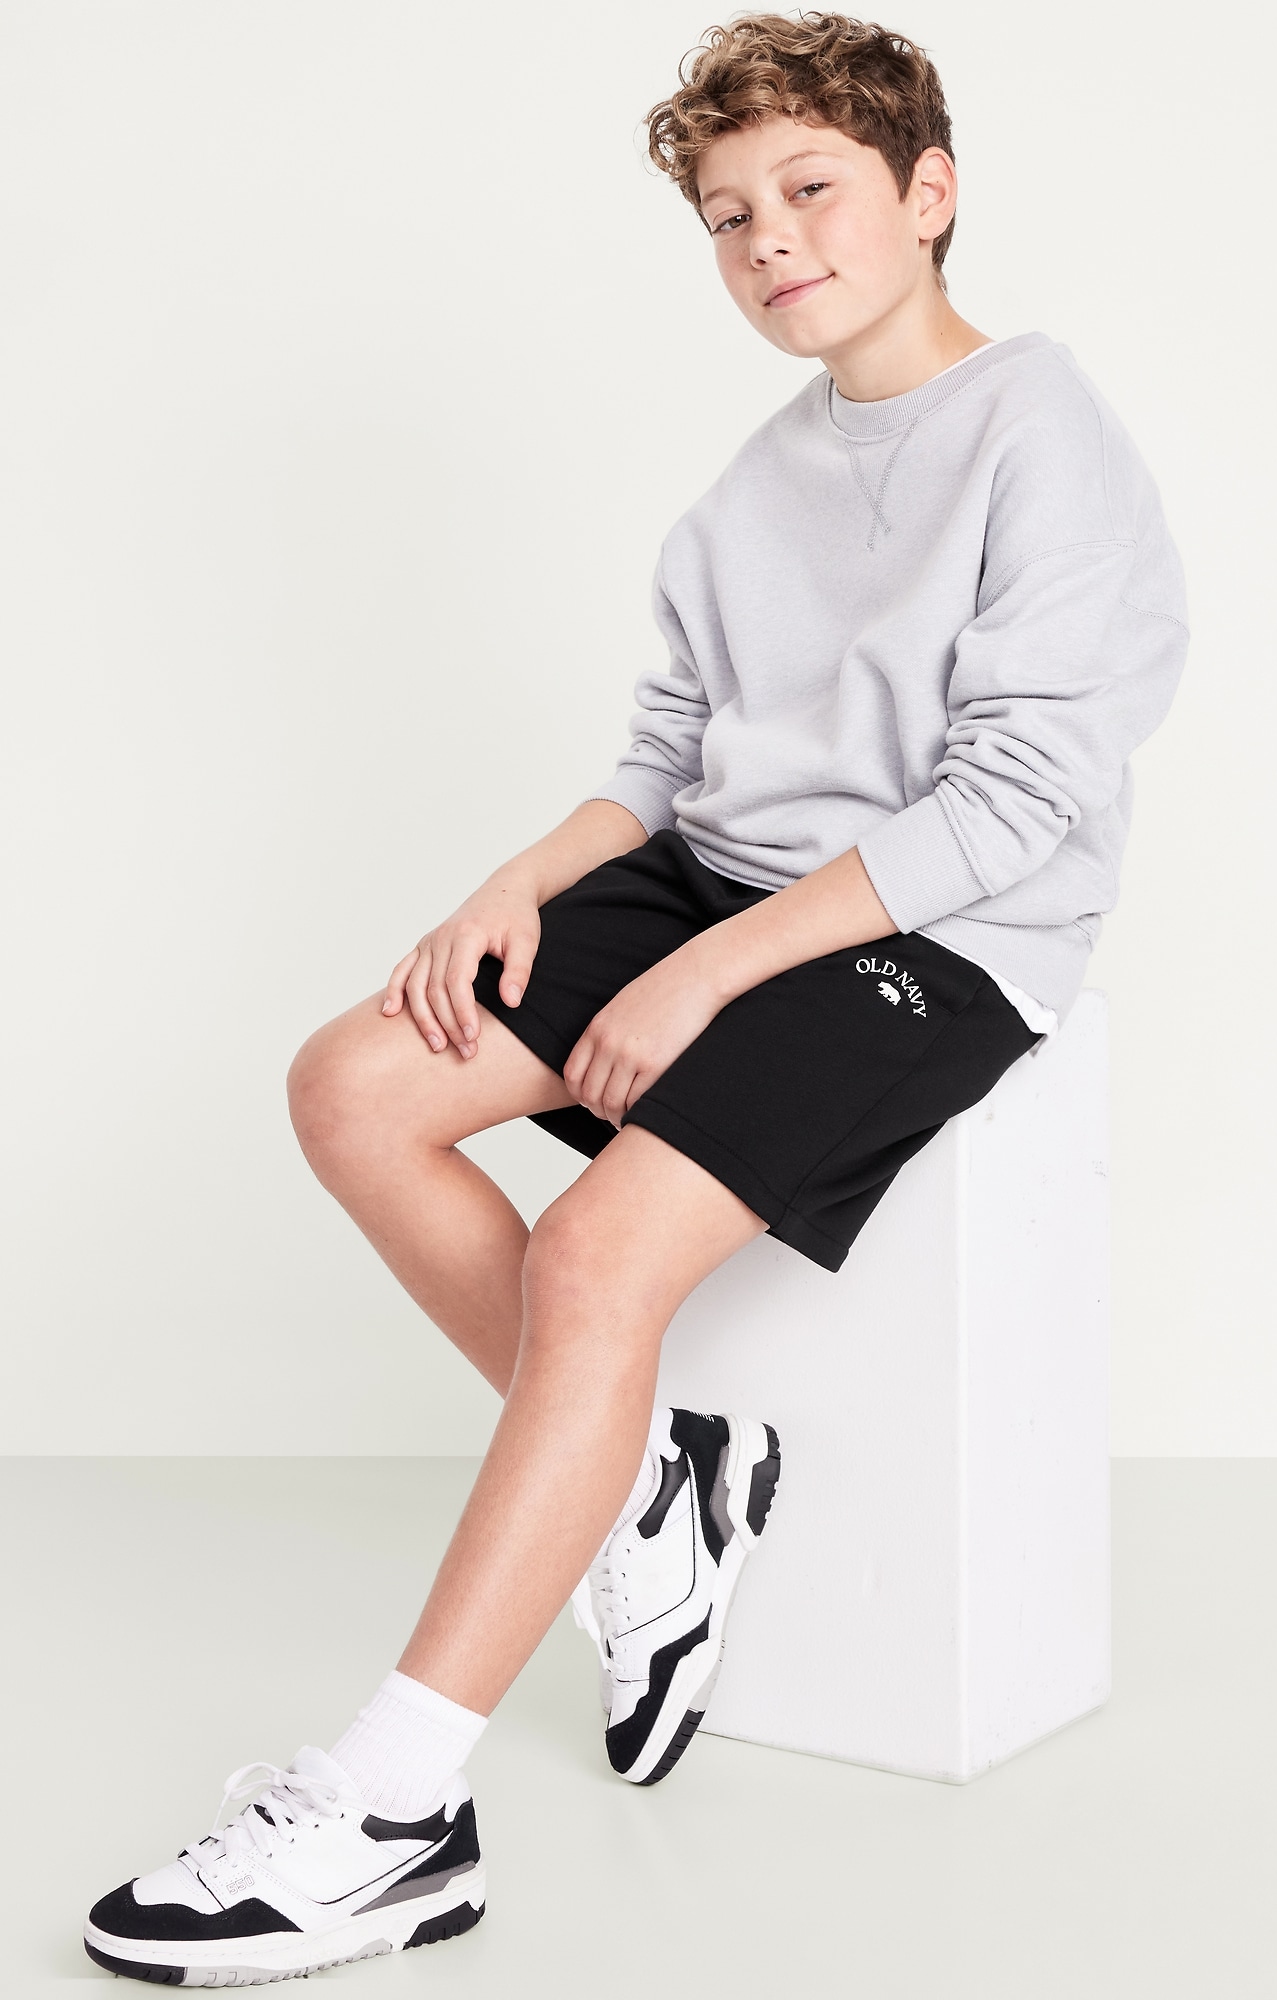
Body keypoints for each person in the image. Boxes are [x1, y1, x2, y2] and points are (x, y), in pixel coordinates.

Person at [82, 10, 1190, 1984]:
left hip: (944, 933)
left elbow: (1014, 804)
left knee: (598, 1257)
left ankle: (397, 1809)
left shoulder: (1045, 434)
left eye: (813, 189)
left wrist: (708, 971)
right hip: (726, 882)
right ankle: (653, 1477)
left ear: (931, 193)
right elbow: (673, 749)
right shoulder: (760, 478)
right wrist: (524, 878)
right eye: (729, 216)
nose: (772, 240)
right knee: (352, 1082)